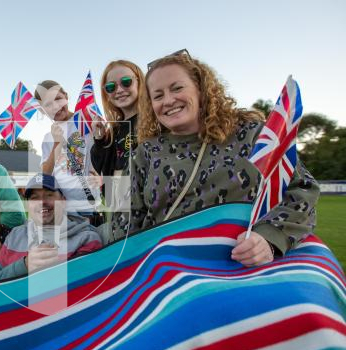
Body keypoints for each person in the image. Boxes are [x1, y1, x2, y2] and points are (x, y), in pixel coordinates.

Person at [119, 50, 319, 266]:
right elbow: (119, 216)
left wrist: (269, 238)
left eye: (177, 88)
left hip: (244, 265)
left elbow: (303, 188)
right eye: (158, 96)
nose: (168, 100)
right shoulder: (142, 152)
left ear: (201, 89)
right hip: (166, 270)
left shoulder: (254, 133)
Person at [0, 173, 102, 284]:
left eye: (49, 195)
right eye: (34, 198)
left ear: (63, 201)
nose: (42, 202)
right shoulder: (15, 235)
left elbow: (86, 286)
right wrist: (25, 265)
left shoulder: (86, 238)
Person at [35, 81, 101, 216]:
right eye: (48, 104)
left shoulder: (86, 122)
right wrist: (56, 144)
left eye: (58, 99)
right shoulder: (49, 137)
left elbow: (104, 152)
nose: (55, 106)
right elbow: (45, 175)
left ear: (66, 96)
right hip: (62, 208)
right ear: (42, 110)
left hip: (89, 206)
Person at [90, 61, 144, 218]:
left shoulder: (154, 121)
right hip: (117, 207)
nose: (119, 90)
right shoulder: (114, 129)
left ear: (139, 82)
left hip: (144, 203)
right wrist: (99, 138)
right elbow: (100, 164)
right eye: (111, 87)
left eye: (126, 82)